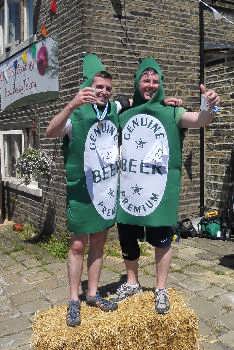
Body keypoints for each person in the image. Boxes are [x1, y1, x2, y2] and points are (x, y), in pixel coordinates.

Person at [113, 57, 220, 314]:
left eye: (154, 80)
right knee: (127, 238)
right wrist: (119, 101)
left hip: (157, 191)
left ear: (160, 83)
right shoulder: (124, 114)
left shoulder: (172, 112)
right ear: (137, 83)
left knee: (162, 241)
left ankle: (160, 289)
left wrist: (210, 106)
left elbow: (201, 120)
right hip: (129, 190)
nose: (150, 84)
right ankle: (132, 282)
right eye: (145, 80)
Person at [46, 54, 120, 327]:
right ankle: (73, 299)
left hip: (105, 190)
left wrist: (172, 102)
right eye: (99, 87)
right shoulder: (75, 114)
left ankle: (92, 294)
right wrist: (72, 103)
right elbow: (50, 132)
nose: (103, 92)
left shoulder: (114, 109)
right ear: (90, 86)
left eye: (108, 89)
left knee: (99, 242)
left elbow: (140, 103)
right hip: (81, 191)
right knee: (78, 245)